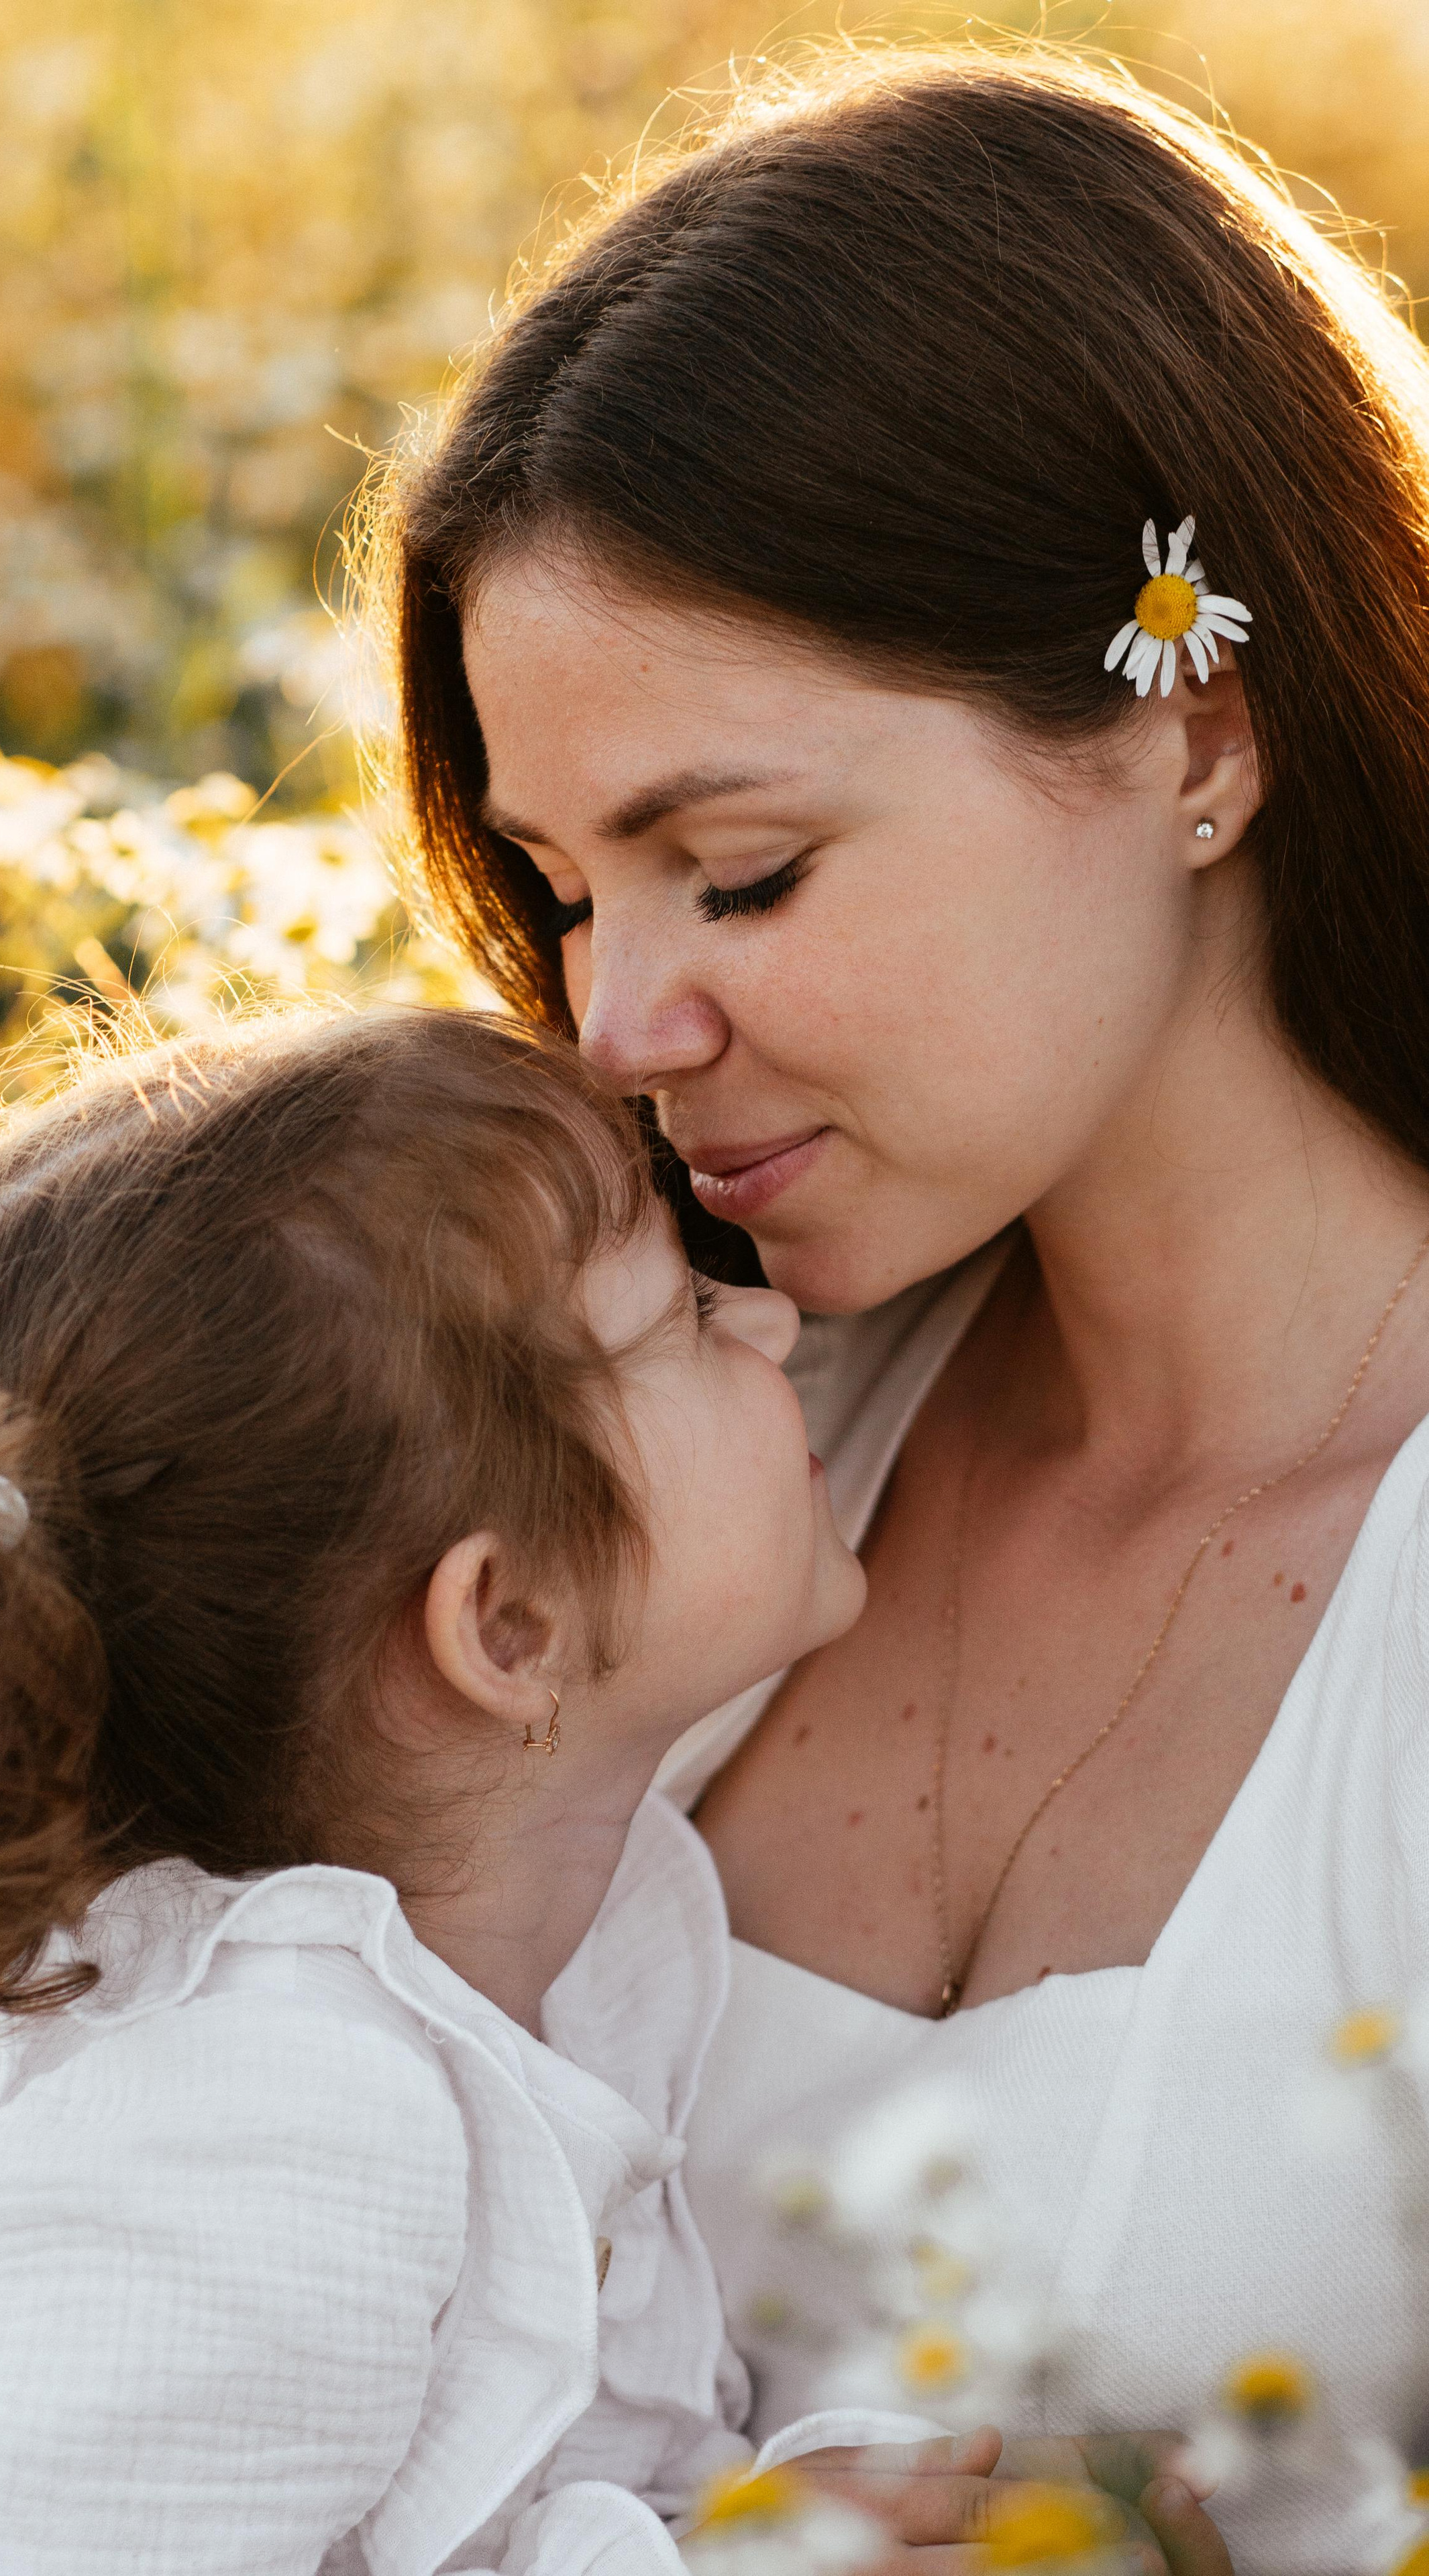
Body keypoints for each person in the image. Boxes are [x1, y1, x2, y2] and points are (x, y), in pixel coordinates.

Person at [378, 40, 1429, 2575]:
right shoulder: (657, 1428)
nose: (618, 1019)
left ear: (1196, 733)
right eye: (563, 887)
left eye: (733, 870)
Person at [0, 1006, 984, 2576]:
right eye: (680, 1323)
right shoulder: (266, 2120)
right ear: (504, 1624)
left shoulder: (562, 1945)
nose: (774, 1329)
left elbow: (476, 2492)